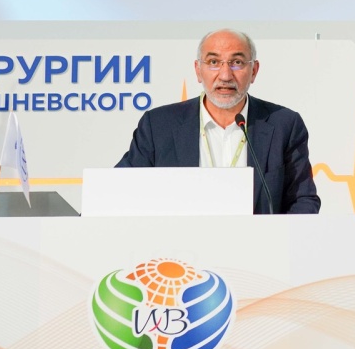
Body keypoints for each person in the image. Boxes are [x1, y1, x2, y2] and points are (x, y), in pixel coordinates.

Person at [116, 29, 320, 213]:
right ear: (198, 70)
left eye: (237, 62)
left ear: (254, 71)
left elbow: (302, 200)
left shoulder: (284, 125)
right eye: (214, 62)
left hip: (257, 241)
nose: (225, 75)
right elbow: (121, 190)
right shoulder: (158, 125)